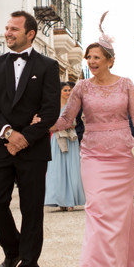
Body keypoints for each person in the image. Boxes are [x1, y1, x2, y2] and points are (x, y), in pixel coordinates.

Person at [52, 13, 134, 267]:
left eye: (97, 57)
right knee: (96, 208)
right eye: (89, 58)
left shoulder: (126, 84)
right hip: (93, 154)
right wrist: (44, 127)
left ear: (110, 60)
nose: (92, 62)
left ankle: (132, 262)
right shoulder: (81, 87)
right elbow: (67, 118)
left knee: (121, 211)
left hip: (123, 155)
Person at [0, 10, 60, 267]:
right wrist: (8, 134)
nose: (8, 33)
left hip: (33, 150)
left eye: (14, 29)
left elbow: (51, 111)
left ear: (30, 34)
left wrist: (25, 137)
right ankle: (12, 249)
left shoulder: (48, 66)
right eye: (7, 27)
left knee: (32, 211)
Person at [44, 81, 85, 211]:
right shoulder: (52, 107)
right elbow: (48, 125)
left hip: (71, 139)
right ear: (59, 91)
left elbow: (75, 124)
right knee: (56, 169)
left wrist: (59, 125)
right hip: (57, 139)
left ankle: (71, 200)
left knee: (72, 168)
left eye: (69, 90)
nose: (68, 92)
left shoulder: (74, 105)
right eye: (65, 90)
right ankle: (60, 200)